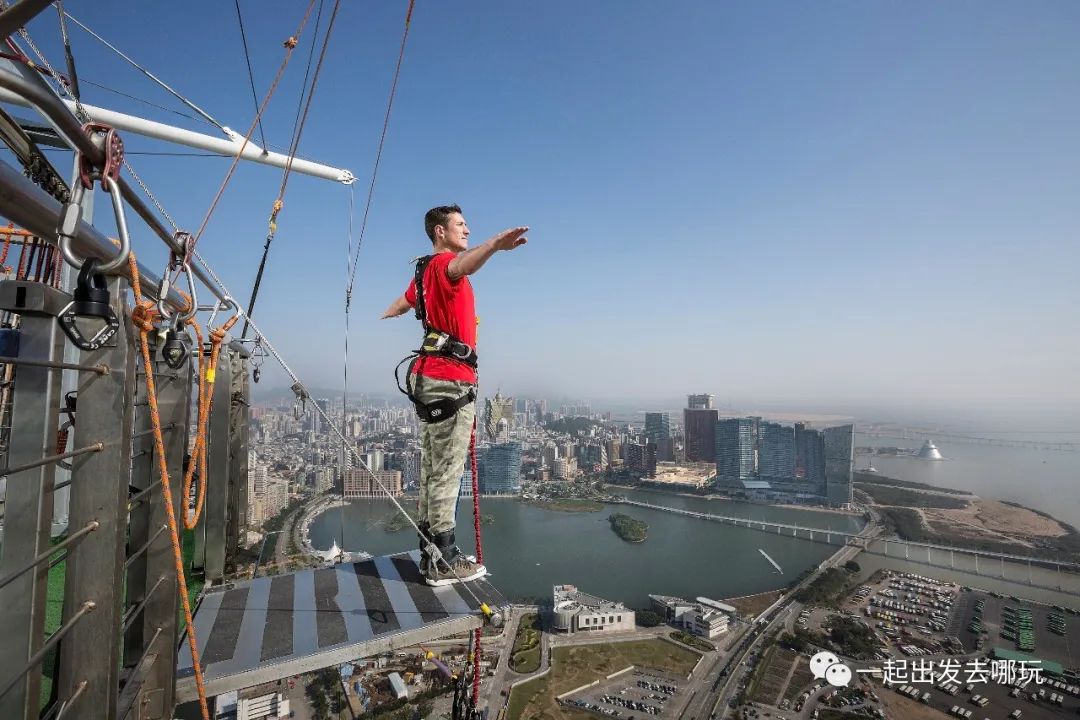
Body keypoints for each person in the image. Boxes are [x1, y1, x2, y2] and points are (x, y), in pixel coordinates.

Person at [382, 205, 527, 585]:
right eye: (460, 225)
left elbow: (403, 303)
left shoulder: (421, 274)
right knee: (447, 471)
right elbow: (462, 266)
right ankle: (443, 559)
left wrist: (385, 315)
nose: (467, 229)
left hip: (428, 376)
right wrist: (494, 244)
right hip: (450, 379)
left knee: (433, 467)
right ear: (440, 232)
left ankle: (429, 549)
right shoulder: (443, 266)